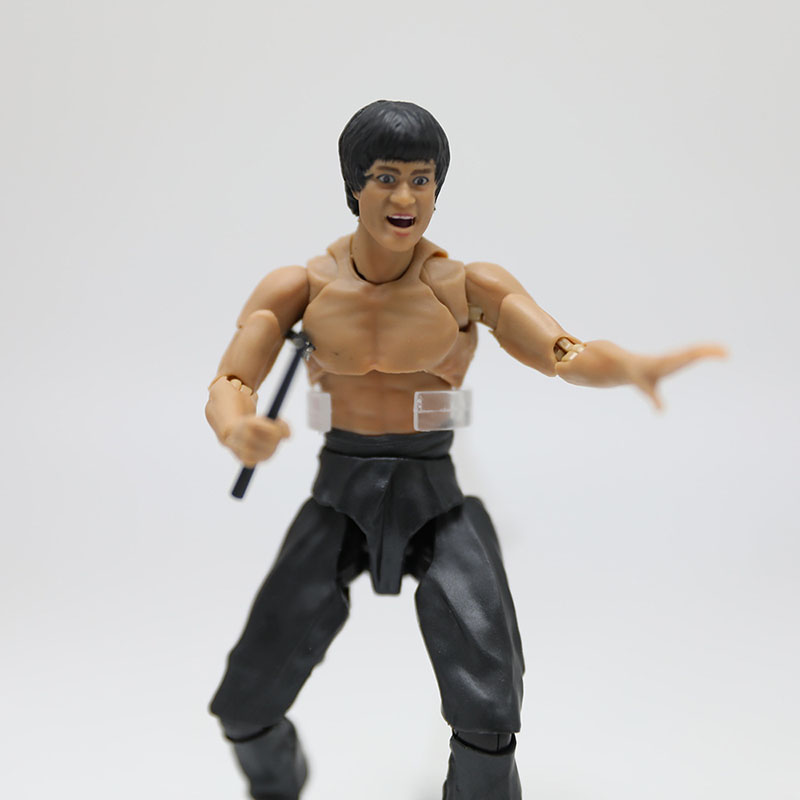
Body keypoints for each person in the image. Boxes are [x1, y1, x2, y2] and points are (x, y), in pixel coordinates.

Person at [205, 100, 723, 800]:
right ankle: (277, 786)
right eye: (387, 178)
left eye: (421, 180)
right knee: (245, 703)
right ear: (354, 185)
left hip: (433, 492)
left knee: (489, 705)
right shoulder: (300, 287)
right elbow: (233, 380)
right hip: (339, 489)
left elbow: (563, 352)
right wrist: (236, 427)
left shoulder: (466, 286)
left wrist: (629, 366)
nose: (405, 198)